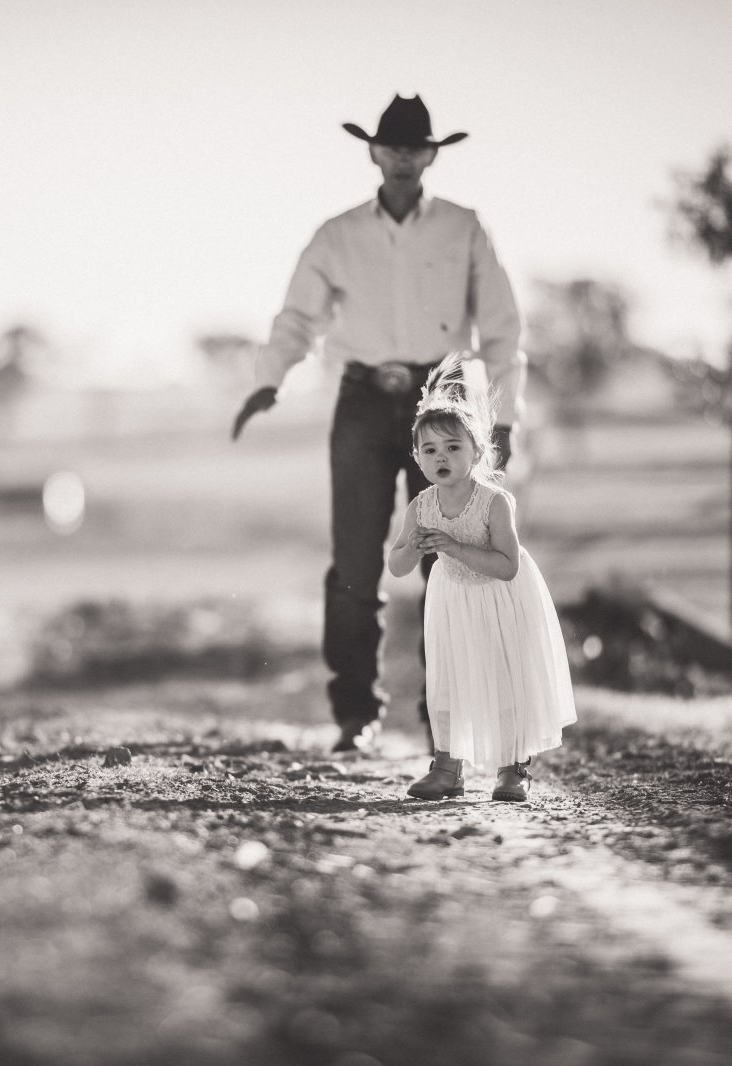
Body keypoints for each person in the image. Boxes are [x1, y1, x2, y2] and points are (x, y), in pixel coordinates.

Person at [231, 93, 527, 753]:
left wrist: (503, 419)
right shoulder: (337, 235)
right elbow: (298, 317)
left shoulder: (464, 228)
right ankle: (355, 715)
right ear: (373, 152)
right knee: (354, 561)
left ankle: (444, 718)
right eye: (392, 147)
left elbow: (502, 329)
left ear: (431, 156)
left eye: (415, 148)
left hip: (444, 403)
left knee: (449, 561)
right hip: (362, 400)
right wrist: (269, 380)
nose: (403, 158)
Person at [388, 357, 575, 801]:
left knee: (504, 680)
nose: (441, 457)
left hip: (500, 600)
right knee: (447, 680)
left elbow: (507, 566)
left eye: (453, 447)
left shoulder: (494, 502)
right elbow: (396, 564)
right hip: (452, 601)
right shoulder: (421, 506)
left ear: (476, 451)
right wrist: (414, 548)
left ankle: (512, 769)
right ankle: (447, 768)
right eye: (430, 450)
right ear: (417, 458)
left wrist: (454, 548)